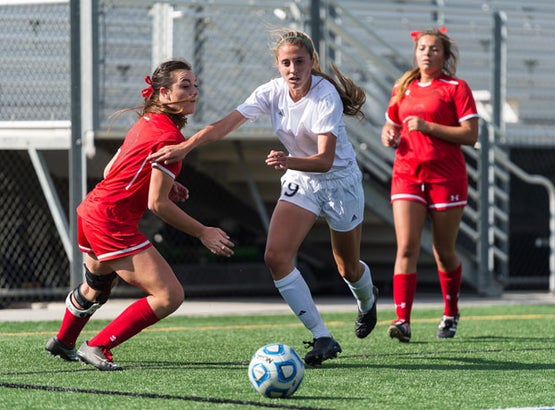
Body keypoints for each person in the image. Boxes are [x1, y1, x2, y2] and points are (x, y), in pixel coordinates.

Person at [148, 29, 379, 366]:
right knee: (276, 257)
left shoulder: (324, 94)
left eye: (299, 62)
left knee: (348, 266)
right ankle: (322, 336)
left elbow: (325, 160)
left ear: (311, 62)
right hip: (302, 180)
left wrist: (288, 160)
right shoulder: (272, 92)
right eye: (285, 63)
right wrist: (185, 146)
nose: (292, 69)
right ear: (278, 66)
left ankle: (367, 300)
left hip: (338, 182)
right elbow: (224, 125)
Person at [45, 59, 235, 370]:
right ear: (164, 93)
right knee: (169, 295)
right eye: (185, 86)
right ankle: (97, 346)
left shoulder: (146, 121)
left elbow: (111, 170)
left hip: (91, 210)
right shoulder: (171, 138)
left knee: (96, 287)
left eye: (195, 85)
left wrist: (167, 184)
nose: (194, 92)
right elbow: (156, 205)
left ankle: (64, 340)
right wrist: (203, 231)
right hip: (110, 220)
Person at [380, 28, 479, 342]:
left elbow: (470, 135)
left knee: (443, 251)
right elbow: (392, 123)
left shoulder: (456, 88)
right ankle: (402, 321)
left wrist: (428, 127)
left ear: (445, 55)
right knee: (406, 246)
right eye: (422, 48)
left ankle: (450, 312)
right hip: (407, 173)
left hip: (446, 177)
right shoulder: (403, 86)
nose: (427, 53)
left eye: (434, 49)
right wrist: (389, 134)